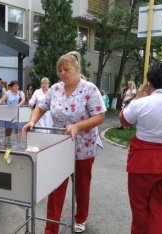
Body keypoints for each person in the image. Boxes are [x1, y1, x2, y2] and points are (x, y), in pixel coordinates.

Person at [22, 51, 106, 234]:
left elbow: (99, 117)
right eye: (60, 70)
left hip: (83, 146)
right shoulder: (55, 89)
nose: (62, 73)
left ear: (77, 69)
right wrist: (32, 121)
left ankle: (80, 217)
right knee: (55, 188)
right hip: (59, 146)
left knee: (81, 187)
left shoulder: (89, 89)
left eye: (66, 69)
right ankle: (51, 228)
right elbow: (40, 107)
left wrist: (78, 126)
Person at [119, 62, 162, 234]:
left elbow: (124, 120)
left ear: (149, 83)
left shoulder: (140, 104)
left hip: (142, 164)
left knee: (140, 210)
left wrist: (138, 98)